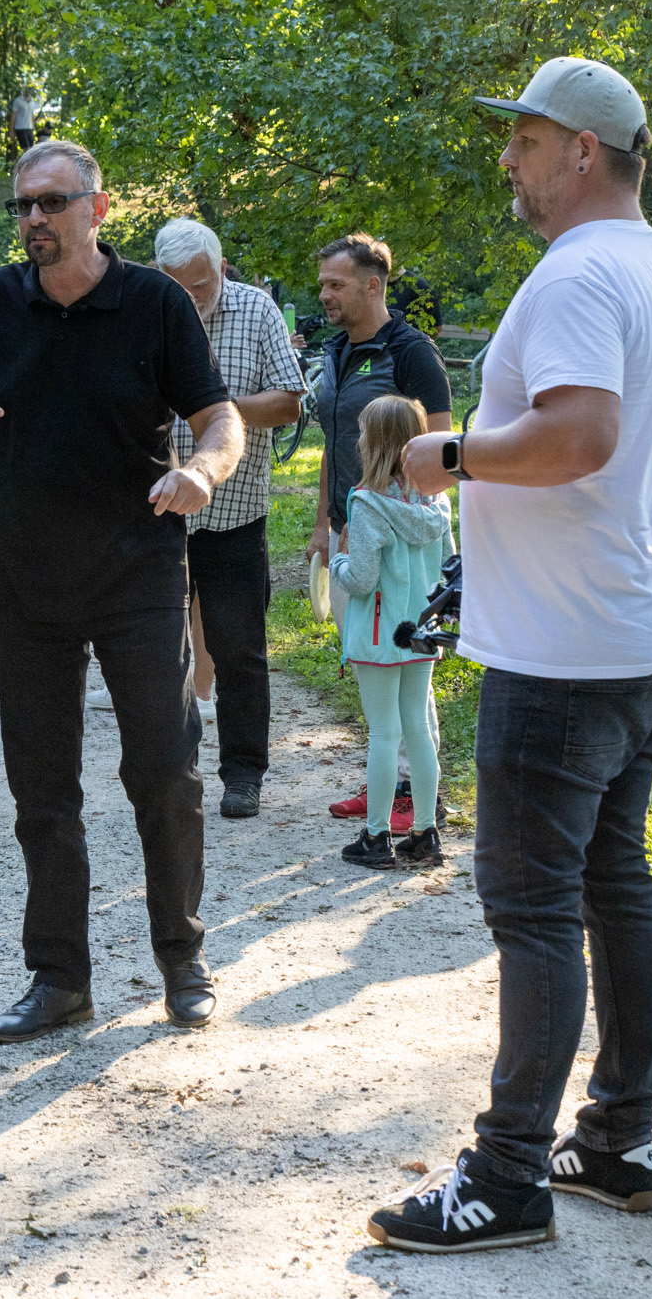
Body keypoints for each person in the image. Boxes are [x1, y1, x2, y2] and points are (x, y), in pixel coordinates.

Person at [366, 56, 652, 1254]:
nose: (506, 157)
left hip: (563, 651)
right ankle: (614, 1141)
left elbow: (580, 434)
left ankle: (507, 1174)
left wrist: (450, 456)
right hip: (635, 629)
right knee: (613, 882)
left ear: (579, 150)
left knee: (532, 908)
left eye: (521, 137)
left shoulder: (576, 273)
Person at [0, 139, 242, 1041]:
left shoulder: (155, 302)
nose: (34, 221)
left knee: (163, 770)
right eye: (23, 207)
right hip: (27, 584)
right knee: (42, 790)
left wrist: (204, 470)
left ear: (96, 208)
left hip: (138, 575)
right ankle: (59, 980)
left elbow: (220, 417)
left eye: (51, 203)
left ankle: (182, 957)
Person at [299, 233, 454, 835]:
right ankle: (387, 781)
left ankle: (420, 798)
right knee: (376, 673)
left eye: (335, 284)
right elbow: (338, 446)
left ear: (372, 285)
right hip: (350, 530)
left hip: (399, 543)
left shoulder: (412, 354)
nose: (324, 294)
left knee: (411, 679)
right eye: (322, 284)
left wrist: (405, 528)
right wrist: (323, 523)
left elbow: (442, 457)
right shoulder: (335, 351)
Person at [150, 217, 305, 819]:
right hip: (159, 511)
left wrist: (212, 410)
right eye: (183, 287)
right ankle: (169, 769)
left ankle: (244, 775)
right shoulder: (145, 306)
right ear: (163, 276)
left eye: (205, 282)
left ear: (220, 265)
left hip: (236, 511)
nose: (198, 296)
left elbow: (290, 402)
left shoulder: (256, 309)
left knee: (240, 650)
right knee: (158, 650)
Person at [329, 395, 447, 869]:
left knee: (382, 733)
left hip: (379, 635)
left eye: (362, 432)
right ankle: (425, 831)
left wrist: (337, 560)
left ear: (375, 443)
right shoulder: (437, 501)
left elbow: (359, 579)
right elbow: (446, 565)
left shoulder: (368, 503)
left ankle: (377, 836)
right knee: (417, 729)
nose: (357, 439)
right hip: (420, 629)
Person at [10, 85, 41, 151]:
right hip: (20, 127)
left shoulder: (32, 100)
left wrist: (33, 126)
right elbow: (14, 115)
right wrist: (11, 130)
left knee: (31, 149)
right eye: (28, 89)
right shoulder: (18, 100)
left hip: (29, 128)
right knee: (27, 149)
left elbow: (32, 114)